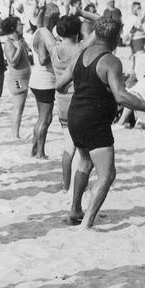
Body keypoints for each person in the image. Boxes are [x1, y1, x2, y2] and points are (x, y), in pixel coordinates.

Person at [56, 14, 145, 229]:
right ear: (117, 38)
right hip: (94, 121)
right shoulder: (111, 61)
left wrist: (87, 88)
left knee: (85, 162)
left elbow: (60, 85)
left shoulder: (81, 55)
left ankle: (75, 210)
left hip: (75, 115)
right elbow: (121, 97)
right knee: (107, 175)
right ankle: (86, 222)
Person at [52, 15, 84, 190]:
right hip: (77, 99)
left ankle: (66, 186)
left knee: (68, 146)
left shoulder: (54, 49)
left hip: (61, 102)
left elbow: (42, 31)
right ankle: (74, 188)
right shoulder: (80, 49)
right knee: (80, 147)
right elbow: (103, 23)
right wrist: (81, 12)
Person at [28, 4, 59, 159]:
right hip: (44, 81)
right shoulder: (44, 34)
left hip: (38, 80)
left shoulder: (38, 31)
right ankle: (40, 152)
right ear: (52, 17)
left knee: (42, 118)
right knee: (45, 119)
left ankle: (34, 149)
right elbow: (42, 60)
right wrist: (57, 50)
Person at [0, 16, 31, 139]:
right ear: (13, 27)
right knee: (18, 107)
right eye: (19, 24)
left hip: (23, 78)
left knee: (20, 107)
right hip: (17, 79)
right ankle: (15, 135)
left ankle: (15, 133)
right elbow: (12, 62)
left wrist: (22, 45)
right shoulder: (9, 43)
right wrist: (19, 48)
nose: (22, 26)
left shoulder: (19, 40)